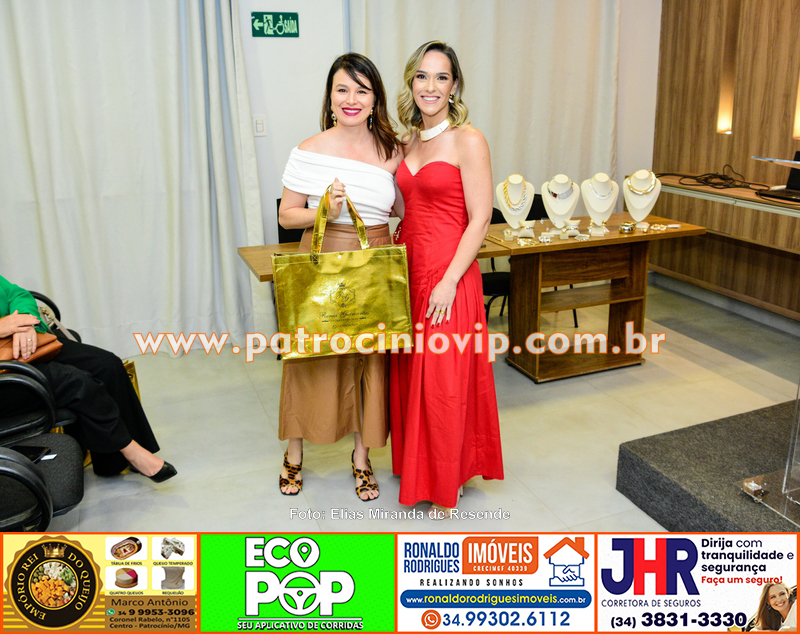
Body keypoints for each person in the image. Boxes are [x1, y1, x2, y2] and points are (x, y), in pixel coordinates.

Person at [277, 53, 401, 500]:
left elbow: (404, 205)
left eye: (361, 90)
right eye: (342, 89)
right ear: (330, 98)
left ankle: (361, 458)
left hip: (375, 256)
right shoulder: (308, 150)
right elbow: (287, 215)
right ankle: (294, 453)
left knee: (369, 360)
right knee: (312, 357)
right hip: (324, 252)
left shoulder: (393, 150)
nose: (351, 99)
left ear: (375, 99)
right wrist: (323, 212)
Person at [390, 41, 504, 518]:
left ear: (454, 85)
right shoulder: (407, 141)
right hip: (410, 271)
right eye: (422, 76)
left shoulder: (468, 140)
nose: (430, 86)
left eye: (441, 77)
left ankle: (446, 479)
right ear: (411, 82)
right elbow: (404, 206)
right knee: (413, 375)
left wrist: (449, 281)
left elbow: (481, 218)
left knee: (444, 384)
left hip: (449, 276)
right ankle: (418, 468)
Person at [0, 275, 176, 482]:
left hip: (18, 346)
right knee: (77, 382)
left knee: (107, 365)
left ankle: (113, 462)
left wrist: (25, 322)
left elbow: (18, 295)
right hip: (5, 378)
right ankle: (131, 452)